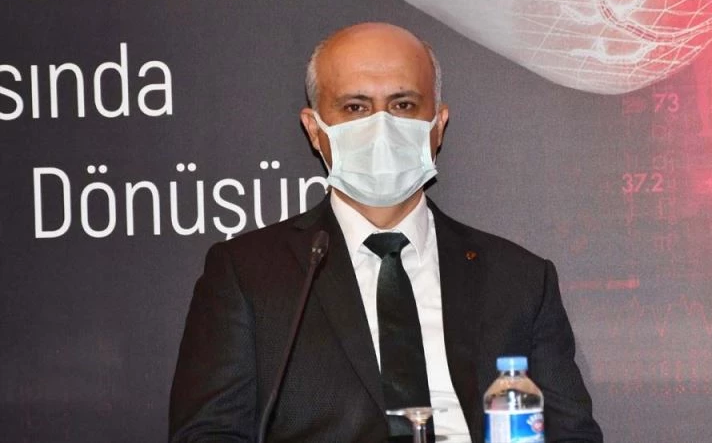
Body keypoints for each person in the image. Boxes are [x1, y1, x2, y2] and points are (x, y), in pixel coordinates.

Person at [169, 22, 602, 442]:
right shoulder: (248, 274)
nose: (381, 126)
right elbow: (207, 433)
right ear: (315, 130)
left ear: (438, 125)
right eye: (355, 107)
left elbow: (573, 434)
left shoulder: (519, 279)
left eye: (403, 105)